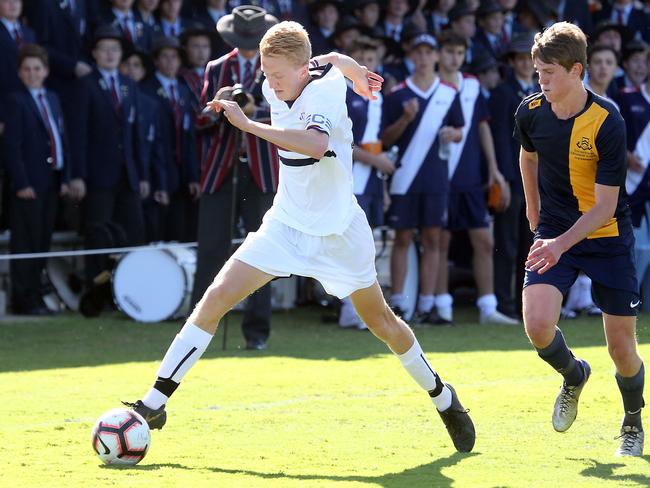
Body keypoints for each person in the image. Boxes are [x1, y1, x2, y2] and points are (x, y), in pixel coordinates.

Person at [124, 20, 476, 454]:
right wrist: (350, 70)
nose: (270, 82)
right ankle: (154, 404)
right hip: (285, 224)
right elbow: (331, 60)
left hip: (337, 233)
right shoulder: (299, 73)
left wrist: (246, 123)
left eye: (276, 74)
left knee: (382, 323)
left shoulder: (322, 92)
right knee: (214, 298)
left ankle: (444, 398)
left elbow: (312, 143)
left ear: (301, 69)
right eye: (266, 74)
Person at [515, 22, 644, 456]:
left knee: (621, 347)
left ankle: (632, 422)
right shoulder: (530, 110)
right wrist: (533, 208)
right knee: (535, 325)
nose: (541, 81)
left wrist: (557, 244)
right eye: (537, 72)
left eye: (549, 72)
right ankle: (573, 374)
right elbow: (526, 155)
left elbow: (605, 207)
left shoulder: (608, 121)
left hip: (605, 235)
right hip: (554, 230)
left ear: (576, 71)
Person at [191, 6, 279, 351]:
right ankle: (197, 330)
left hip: (261, 168)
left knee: (263, 253)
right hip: (222, 169)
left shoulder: (275, 67)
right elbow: (199, 120)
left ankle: (257, 334)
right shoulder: (217, 68)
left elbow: (291, 115)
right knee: (211, 249)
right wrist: (219, 106)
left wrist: (256, 112)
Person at [433, 30, 516, 326]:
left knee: (483, 240)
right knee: (440, 243)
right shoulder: (431, 86)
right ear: (438, 54)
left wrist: (493, 168)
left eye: (459, 52)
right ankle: (441, 306)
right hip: (440, 178)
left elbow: (482, 127)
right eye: (449, 51)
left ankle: (487, 308)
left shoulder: (471, 84)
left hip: (469, 179)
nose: (454, 58)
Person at [381, 32, 464, 325]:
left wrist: (452, 135)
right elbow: (384, 138)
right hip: (404, 178)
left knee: (433, 239)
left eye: (429, 52)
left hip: (436, 179)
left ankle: (427, 305)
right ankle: (399, 304)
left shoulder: (448, 92)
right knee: (401, 237)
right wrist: (405, 119)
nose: (424, 58)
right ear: (411, 57)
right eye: (419, 52)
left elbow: (460, 130)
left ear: (436, 57)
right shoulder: (397, 95)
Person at [69, 25, 147, 285]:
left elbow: (136, 134)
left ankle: (131, 287)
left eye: (115, 49)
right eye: (104, 49)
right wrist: (77, 175)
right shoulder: (85, 85)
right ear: (95, 54)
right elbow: (77, 134)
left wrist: (142, 175)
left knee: (134, 230)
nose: (110, 54)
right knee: (98, 232)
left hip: (128, 173)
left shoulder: (128, 85)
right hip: (97, 173)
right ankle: (97, 291)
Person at [4, 44, 70, 315]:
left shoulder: (52, 98)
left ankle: (36, 294)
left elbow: (61, 138)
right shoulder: (14, 100)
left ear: (45, 71)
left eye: (37, 68)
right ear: (20, 73)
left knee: (42, 241)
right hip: (28, 186)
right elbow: (11, 146)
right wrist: (21, 184)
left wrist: (66, 176)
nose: (32, 73)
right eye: (27, 69)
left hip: (51, 182)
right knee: (26, 243)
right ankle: (24, 299)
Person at [338, 37, 394, 330]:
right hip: (348, 181)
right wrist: (378, 163)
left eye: (371, 59)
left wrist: (381, 181)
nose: (366, 65)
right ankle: (349, 309)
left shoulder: (377, 96)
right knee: (349, 246)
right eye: (360, 58)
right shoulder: (340, 93)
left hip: (370, 182)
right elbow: (342, 144)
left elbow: (374, 143)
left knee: (367, 246)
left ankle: (363, 310)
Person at [140, 36, 200, 242]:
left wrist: (193, 176)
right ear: (156, 61)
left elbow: (189, 136)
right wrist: (157, 182)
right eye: (164, 57)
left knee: (181, 230)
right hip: (158, 170)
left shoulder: (184, 90)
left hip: (181, 172)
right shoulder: (145, 89)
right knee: (158, 231)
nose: (170, 62)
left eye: (174, 57)